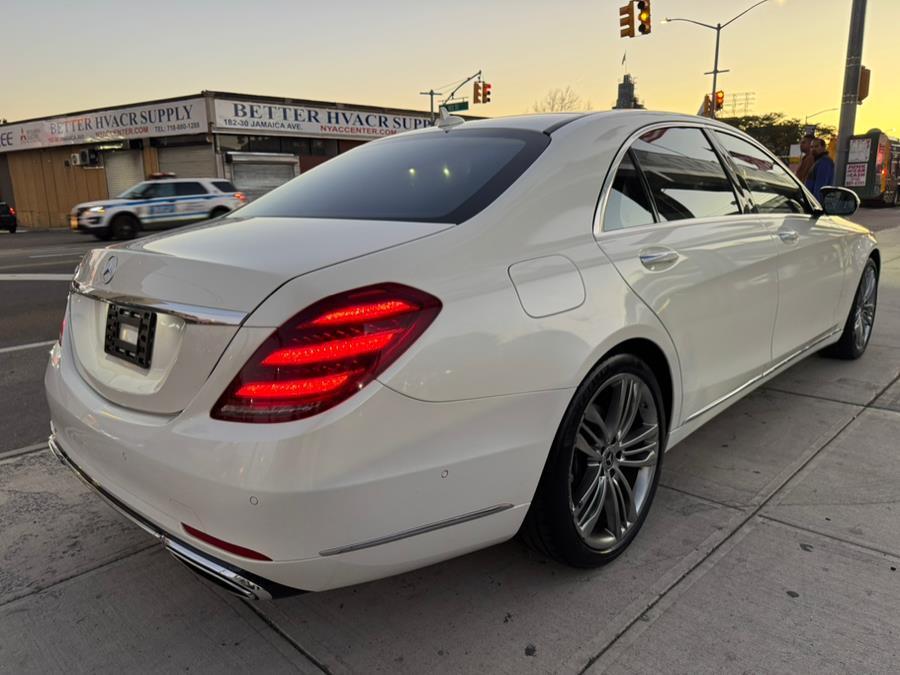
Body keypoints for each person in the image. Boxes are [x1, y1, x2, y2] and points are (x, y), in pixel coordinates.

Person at [805, 137, 835, 202]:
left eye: (816, 146)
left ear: (823, 147)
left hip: (817, 202)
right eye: (811, 147)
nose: (813, 149)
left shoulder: (824, 162)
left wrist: (815, 203)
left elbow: (820, 187)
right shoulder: (818, 161)